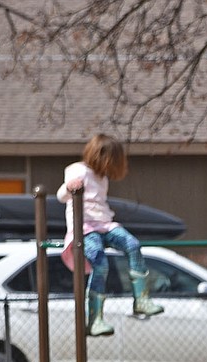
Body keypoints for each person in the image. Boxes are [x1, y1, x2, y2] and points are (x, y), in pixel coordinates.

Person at [57, 133, 163, 337]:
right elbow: (62, 195)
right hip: (85, 227)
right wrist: (71, 187)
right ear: (103, 156)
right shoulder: (79, 170)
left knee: (132, 244)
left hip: (104, 224)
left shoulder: (102, 178)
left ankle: (141, 299)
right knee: (100, 263)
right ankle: (95, 319)